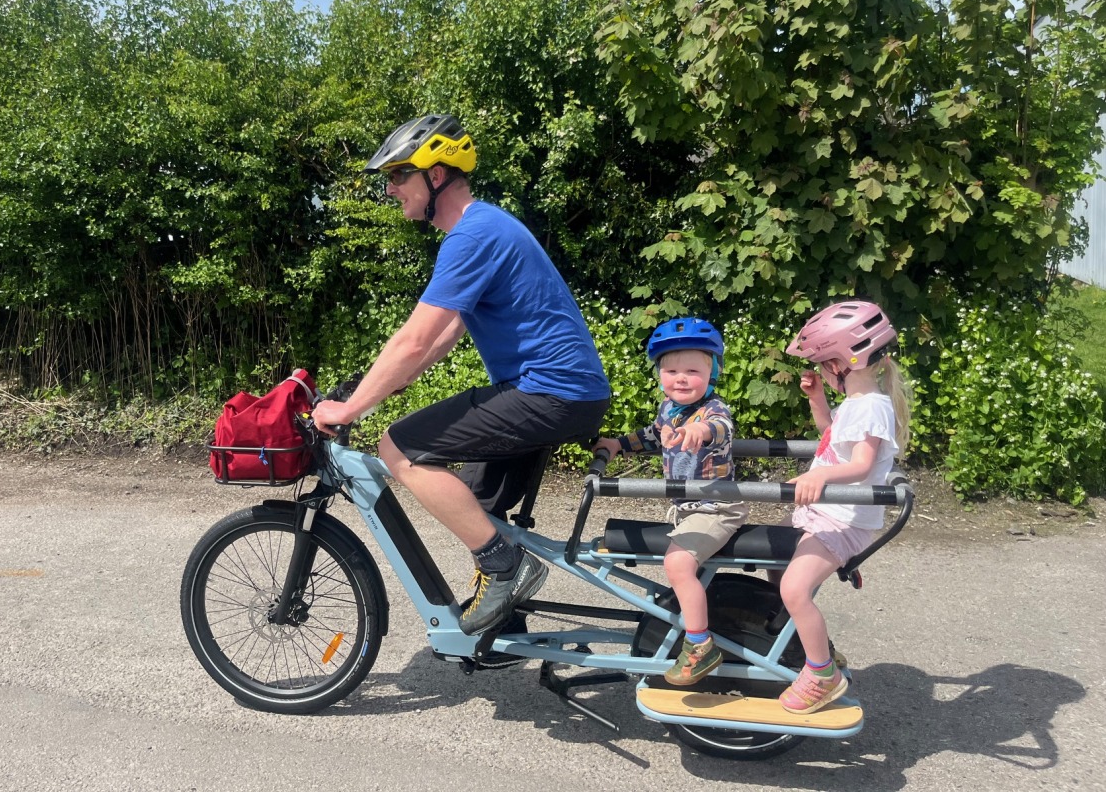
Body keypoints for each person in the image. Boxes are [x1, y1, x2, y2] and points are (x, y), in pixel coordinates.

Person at [313, 114, 611, 636]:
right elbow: (443, 335)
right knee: (476, 498)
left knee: (398, 449)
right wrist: (372, 387)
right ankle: (502, 613)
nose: (389, 189)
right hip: (560, 391)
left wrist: (350, 409)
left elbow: (415, 339)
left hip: (549, 391)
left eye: (398, 176)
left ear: (435, 175)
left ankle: (505, 568)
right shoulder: (485, 227)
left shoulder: (472, 235)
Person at [593, 317, 744, 686]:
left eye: (692, 370)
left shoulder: (713, 411)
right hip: (687, 509)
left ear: (712, 373)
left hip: (715, 508)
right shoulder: (669, 410)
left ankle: (699, 645)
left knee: (676, 564)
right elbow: (653, 435)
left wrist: (699, 430)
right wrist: (617, 444)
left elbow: (721, 429)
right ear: (660, 374)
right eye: (671, 370)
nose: (681, 378)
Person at [778, 299, 912, 714]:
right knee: (773, 566)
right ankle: (795, 646)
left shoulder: (872, 405)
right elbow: (831, 442)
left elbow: (860, 465)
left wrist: (817, 477)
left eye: (821, 365)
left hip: (843, 519)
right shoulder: (858, 403)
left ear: (840, 362)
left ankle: (821, 673)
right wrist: (819, 402)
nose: (819, 370)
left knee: (794, 589)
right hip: (826, 512)